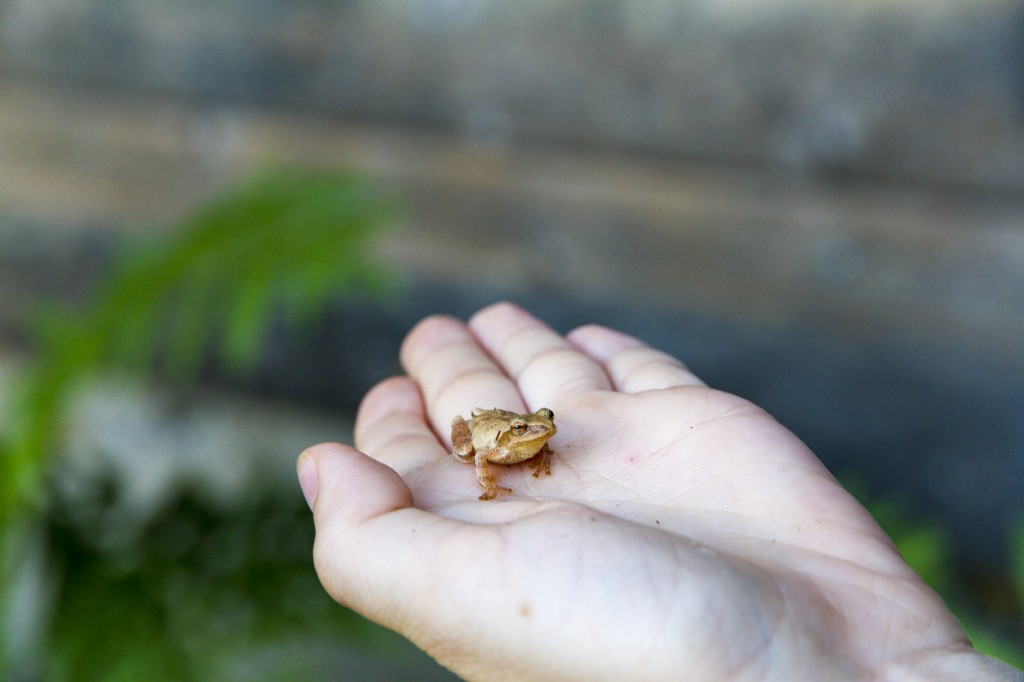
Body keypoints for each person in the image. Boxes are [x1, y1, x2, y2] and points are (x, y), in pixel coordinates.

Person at [296, 303, 1022, 681]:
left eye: (542, 429)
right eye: (532, 434)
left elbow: (536, 435)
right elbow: (485, 461)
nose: (539, 437)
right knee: (466, 435)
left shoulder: (538, 438)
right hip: (478, 434)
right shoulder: (500, 444)